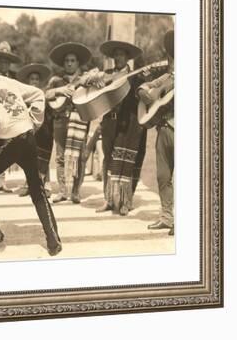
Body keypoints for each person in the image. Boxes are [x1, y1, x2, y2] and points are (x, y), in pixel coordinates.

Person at [0, 48, 62, 255]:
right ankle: (53, 240)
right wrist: (32, 123)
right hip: (27, 137)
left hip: (11, 141)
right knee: (36, 188)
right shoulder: (6, 81)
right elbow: (38, 94)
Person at [88, 40, 150, 216]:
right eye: (115, 54)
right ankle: (108, 200)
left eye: (121, 54)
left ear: (128, 58)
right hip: (110, 123)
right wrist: (94, 80)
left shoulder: (136, 76)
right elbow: (91, 90)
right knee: (108, 160)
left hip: (129, 124)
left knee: (127, 160)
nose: (118, 57)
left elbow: (144, 95)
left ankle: (125, 201)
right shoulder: (106, 76)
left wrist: (145, 80)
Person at [44, 42, 92, 204]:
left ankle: (76, 191)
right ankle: (63, 191)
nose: (69, 63)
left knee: (80, 157)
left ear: (78, 63)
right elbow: (45, 94)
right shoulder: (57, 80)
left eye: (72, 60)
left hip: (79, 122)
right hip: (60, 121)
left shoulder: (85, 79)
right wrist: (59, 91)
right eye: (67, 61)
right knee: (60, 157)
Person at [138, 30, 175, 235]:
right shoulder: (167, 76)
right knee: (163, 176)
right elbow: (143, 87)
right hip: (163, 129)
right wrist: (149, 96)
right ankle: (167, 217)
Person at [0, 41, 24, 192]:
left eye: (7, 61)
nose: (4, 64)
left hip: (10, 117)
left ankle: (2, 181)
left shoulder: (15, 77)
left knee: (6, 147)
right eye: (1, 61)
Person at [15, 63, 53, 197]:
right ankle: (29, 184)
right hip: (29, 128)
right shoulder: (23, 95)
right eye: (32, 79)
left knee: (44, 157)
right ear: (28, 81)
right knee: (28, 156)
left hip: (44, 129)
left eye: (37, 79)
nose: (35, 82)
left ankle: (46, 185)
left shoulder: (43, 93)